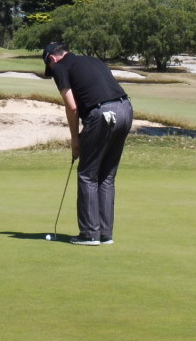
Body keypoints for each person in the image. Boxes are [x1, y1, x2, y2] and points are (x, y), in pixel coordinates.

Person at [42, 42, 133, 246]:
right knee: (106, 176)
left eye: (50, 65)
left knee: (87, 174)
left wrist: (75, 140)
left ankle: (90, 234)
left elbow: (72, 108)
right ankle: (105, 234)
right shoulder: (92, 60)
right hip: (126, 109)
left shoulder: (61, 68)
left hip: (102, 114)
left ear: (52, 59)